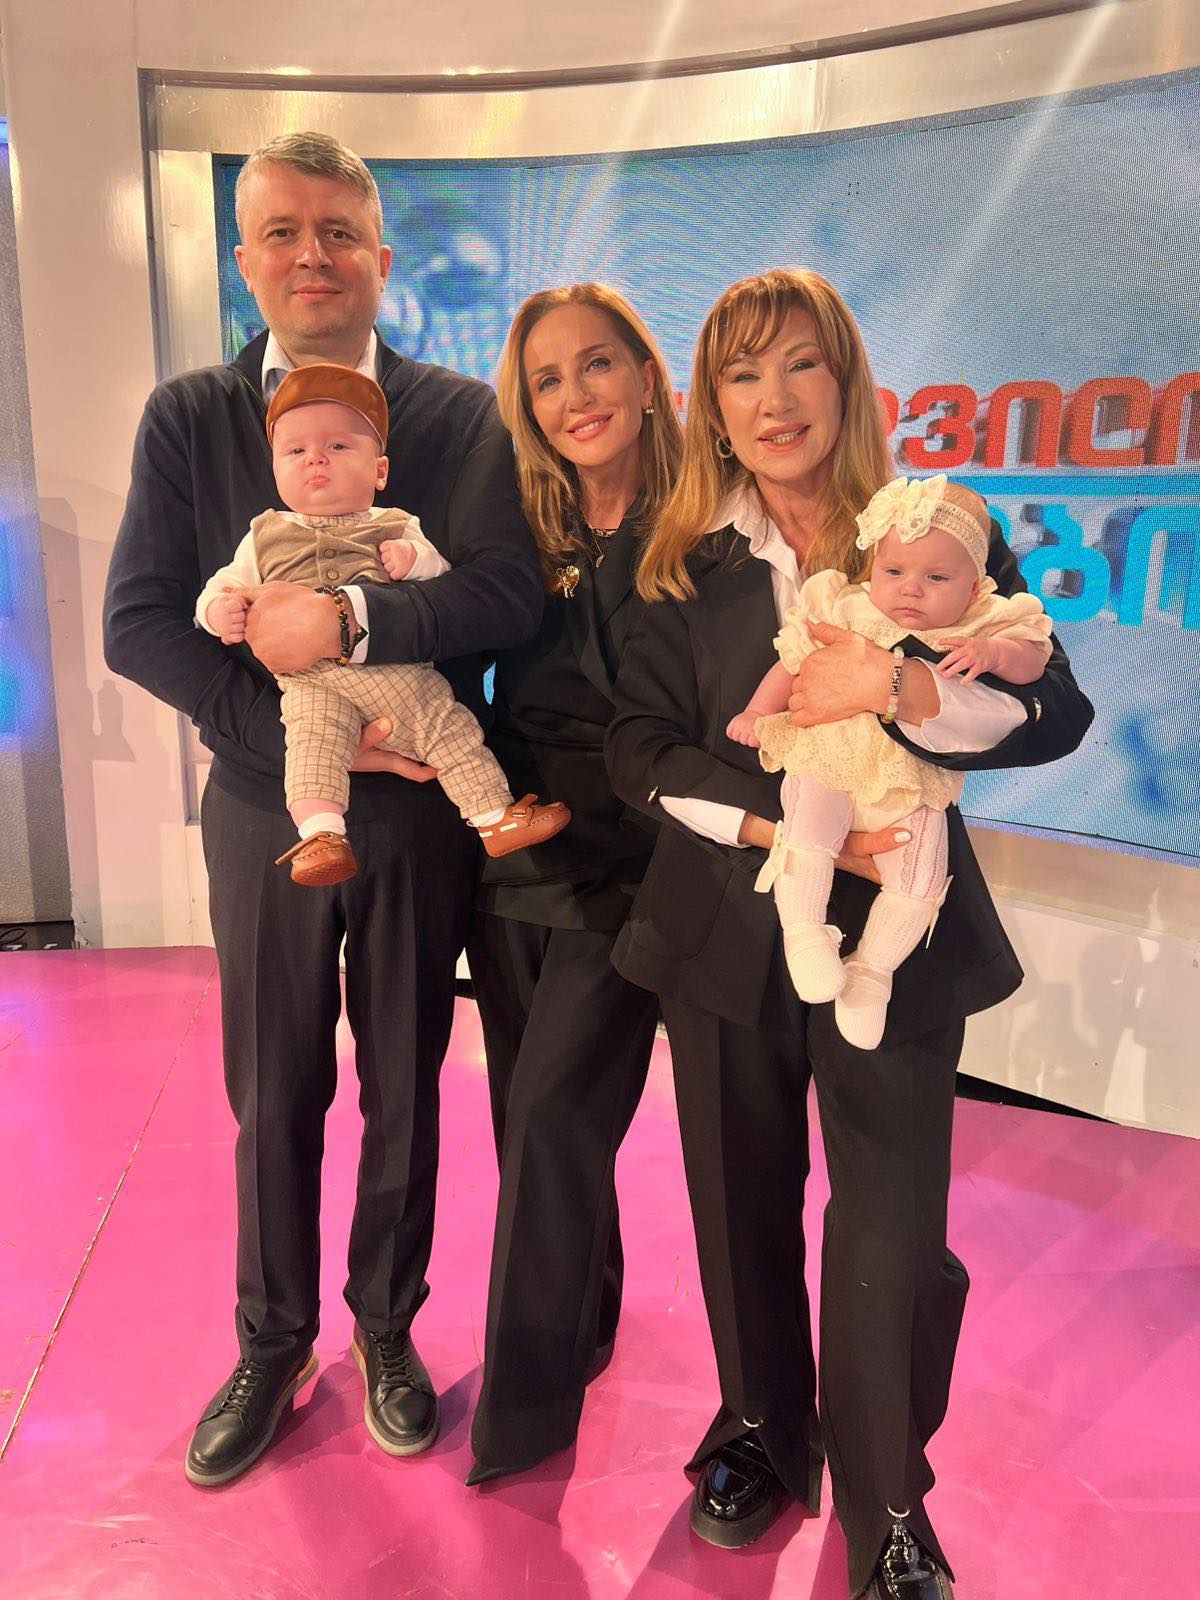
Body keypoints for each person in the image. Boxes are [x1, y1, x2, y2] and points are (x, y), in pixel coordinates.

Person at [606, 268, 1093, 1599]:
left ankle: (887, 1498)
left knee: (892, 1226)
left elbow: (1058, 710)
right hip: (726, 923)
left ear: (847, 380)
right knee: (738, 1199)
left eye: (799, 364)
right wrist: (783, 831)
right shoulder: (673, 562)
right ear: (711, 404)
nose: (773, 399)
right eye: (741, 373)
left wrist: (902, 685)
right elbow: (636, 747)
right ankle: (760, 1427)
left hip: (903, 934)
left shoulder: (934, 525)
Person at [103, 131, 544, 1487]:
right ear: (244, 259)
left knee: (406, 1077)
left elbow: (501, 593)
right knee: (273, 1085)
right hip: (265, 808)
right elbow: (140, 623)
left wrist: (353, 618)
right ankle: (273, 1337)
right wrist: (298, 749)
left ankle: (386, 1324)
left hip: (418, 811)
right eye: (284, 233)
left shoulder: (456, 415)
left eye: (338, 231)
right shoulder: (188, 417)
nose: (313, 256)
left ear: (380, 258)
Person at [463, 284, 683, 1483]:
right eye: (546, 380)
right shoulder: (523, 532)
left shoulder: (707, 529)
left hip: (638, 867)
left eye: (596, 365)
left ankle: (523, 1409)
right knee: (529, 1120)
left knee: (554, 1113)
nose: (575, 396)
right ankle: (587, 1311)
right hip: (515, 858)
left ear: (646, 376)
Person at [196, 361, 568, 886]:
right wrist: (219, 612)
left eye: (337, 446)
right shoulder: (261, 537)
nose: (315, 458)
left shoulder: (395, 524)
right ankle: (321, 837)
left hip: (397, 673)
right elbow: (220, 588)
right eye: (295, 451)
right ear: (274, 470)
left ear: (379, 471)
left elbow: (443, 574)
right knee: (312, 748)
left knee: (450, 729)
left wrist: (414, 561)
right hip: (312, 683)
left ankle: (492, 817)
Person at [728, 474, 1051, 1048]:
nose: (911, 590)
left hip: (911, 783)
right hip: (832, 756)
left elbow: (1037, 667)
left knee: (922, 879)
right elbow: (791, 661)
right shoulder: (846, 607)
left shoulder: (981, 621)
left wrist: (995, 652)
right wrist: (756, 712)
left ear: (975, 586)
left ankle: (873, 971)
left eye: (936, 578)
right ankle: (804, 932)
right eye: (894, 571)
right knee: (808, 835)